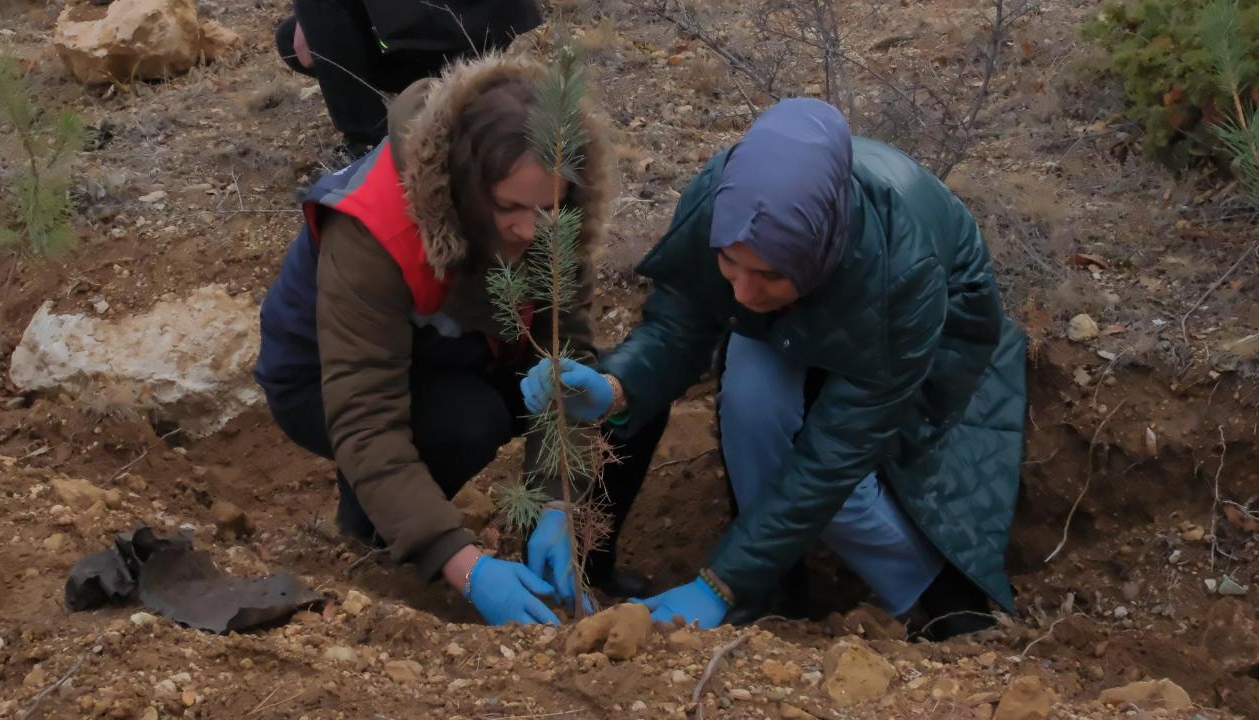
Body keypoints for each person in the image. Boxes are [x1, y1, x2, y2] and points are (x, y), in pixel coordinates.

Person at [522, 98, 1027, 639]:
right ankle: (772, 588)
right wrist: (615, 387)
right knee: (750, 401)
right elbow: (678, 327)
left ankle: (942, 601)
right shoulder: (722, 204)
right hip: (806, 306)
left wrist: (717, 586)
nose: (740, 291)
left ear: (815, 255)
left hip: (930, 318)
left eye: (765, 274)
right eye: (728, 264)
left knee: (846, 492)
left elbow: (831, 459)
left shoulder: (901, 274)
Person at [254, 54, 664, 626]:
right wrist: (457, 558)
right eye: (507, 208)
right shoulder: (375, 229)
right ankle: (374, 527)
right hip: (322, 377)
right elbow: (364, 414)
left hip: (457, 342)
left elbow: (565, 354)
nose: (530, 229)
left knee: (587, 388)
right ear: (469, 189)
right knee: (467, 421)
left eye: (546, 207)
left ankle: (527, 546)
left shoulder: (555, 217)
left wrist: (555, 501)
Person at [276, 0, 541, 153]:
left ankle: (368, 146)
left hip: (459, 22)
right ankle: (441, 90)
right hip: (481, 21)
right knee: (294, 35)